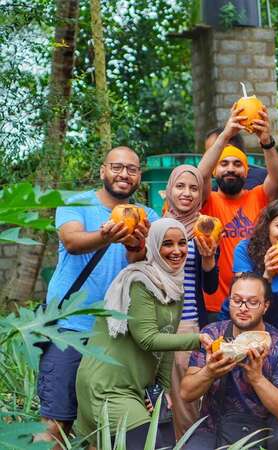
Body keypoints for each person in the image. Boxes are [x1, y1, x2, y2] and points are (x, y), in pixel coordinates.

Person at [35, 146, 158, 446]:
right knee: (55, 425)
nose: (124, 174)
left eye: (131, 169)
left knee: (104, 428)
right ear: (103, 170)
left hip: (116, 339)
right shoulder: (75, 203)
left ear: (139, 176)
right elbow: (72, 241)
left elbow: (145, 267)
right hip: (69, 330)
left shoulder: (148, 216)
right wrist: (108, 235)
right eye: (117, 167)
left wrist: (136, 246)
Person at [74, 218, 212, 448]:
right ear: (154, 246)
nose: (176, 251)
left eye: (182, 244)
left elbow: (167, 344)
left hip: (136, 386)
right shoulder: (140, 282)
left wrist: (163, 391)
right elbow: (147, 339)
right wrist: (198, 340)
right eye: (167, 243)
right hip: (109, 385)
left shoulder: (174, 287)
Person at [181, 272, 278, 449]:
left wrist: (257, 378)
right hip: (215, 426)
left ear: (265, 306)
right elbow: (186, 393)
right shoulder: (212, 335)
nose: (243, 308)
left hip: (264, 428)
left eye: (252, 302)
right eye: (236, 300)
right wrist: (209, 372)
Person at [220, 198, 278, 412]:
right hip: (240, 325)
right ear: (267, 226)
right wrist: (267, 275)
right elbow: (246, 298)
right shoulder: (245, 249)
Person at [196, 104, 278, 323]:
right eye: (223, 164)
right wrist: (227, 133)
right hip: (216, 303)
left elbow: (276, 176)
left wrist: (266, 138)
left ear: (247, 170)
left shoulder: (258, 196)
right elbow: (200, 175)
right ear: (215, 170)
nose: (231, 169)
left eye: (237, 164)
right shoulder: (210, 201)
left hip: (255, 301)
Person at [163, 165, 220, 439]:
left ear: (201, 194)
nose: (186, 193)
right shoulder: (156, 226)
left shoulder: (206, 227)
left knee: (188, 402)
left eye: (194, 188)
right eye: (180, 186)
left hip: (187, 324)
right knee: (157, 401)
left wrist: (208, 258)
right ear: (170, 189)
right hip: (153, 325)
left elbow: (209, 287)